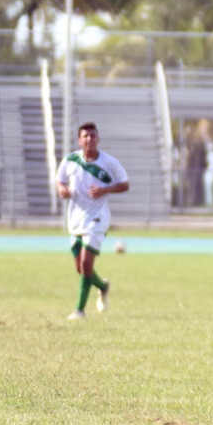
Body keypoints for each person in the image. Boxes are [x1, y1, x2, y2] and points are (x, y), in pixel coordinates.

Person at [57, 122, 129, 320]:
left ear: (98, 139)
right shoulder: (70, 160)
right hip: (75, 219)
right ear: (79, 140)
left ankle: (79, 310)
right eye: (85, 136)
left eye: (93, 135)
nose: (89, 139)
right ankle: (103, 286)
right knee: (80, 268)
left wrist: (104, 190)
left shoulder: (109, 162)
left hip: (97, 219)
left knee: (86, 263)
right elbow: (60, 180)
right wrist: (62, 190)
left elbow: (124, 184)